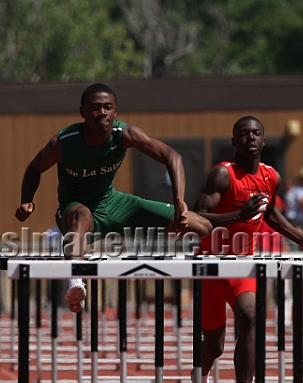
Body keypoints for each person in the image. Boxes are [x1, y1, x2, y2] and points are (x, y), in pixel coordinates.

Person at [15, 83, 212, 312]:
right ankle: (76, 284)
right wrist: (26, 200)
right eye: (95, 107)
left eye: (107, 107)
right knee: (83, 214)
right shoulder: (63, 142)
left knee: (203, 225)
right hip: (74, 209)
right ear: (83, 112)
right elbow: (33, 169)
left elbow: (173, 156)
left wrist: (179, 201)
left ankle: (207, 276)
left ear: (115, 111)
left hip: (113, 203)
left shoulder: (124, 134)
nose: (102, 112)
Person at [193, 116, 303, 383]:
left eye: (256, 134)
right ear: (234, 141)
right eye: (243, 134)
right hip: (211, 264)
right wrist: (238, 214)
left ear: (264, 141)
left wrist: (300, 240)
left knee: (250, 316)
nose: (250, 139)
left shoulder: (270, 177)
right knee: (214, 345)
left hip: (243, 263)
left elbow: (271, 213)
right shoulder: (223, 175)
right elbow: (197, 216)